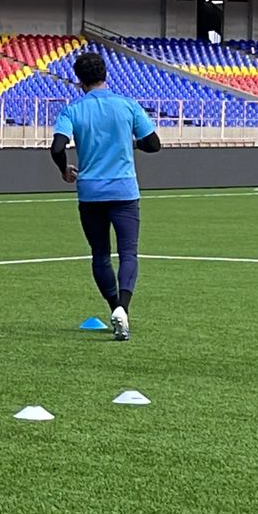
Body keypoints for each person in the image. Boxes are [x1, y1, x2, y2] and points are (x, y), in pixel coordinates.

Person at [50, 51, 161, 342]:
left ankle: (115, 309)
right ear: (105, 75)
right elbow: (154, 144)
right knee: (128, 253)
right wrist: (131, 143)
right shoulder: (127, 105)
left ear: (79, 80)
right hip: (124, 190)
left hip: (90, 192)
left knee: (100, 254)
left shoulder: (73, 110)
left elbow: (57, 148)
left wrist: (64, 170)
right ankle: (123, 307)